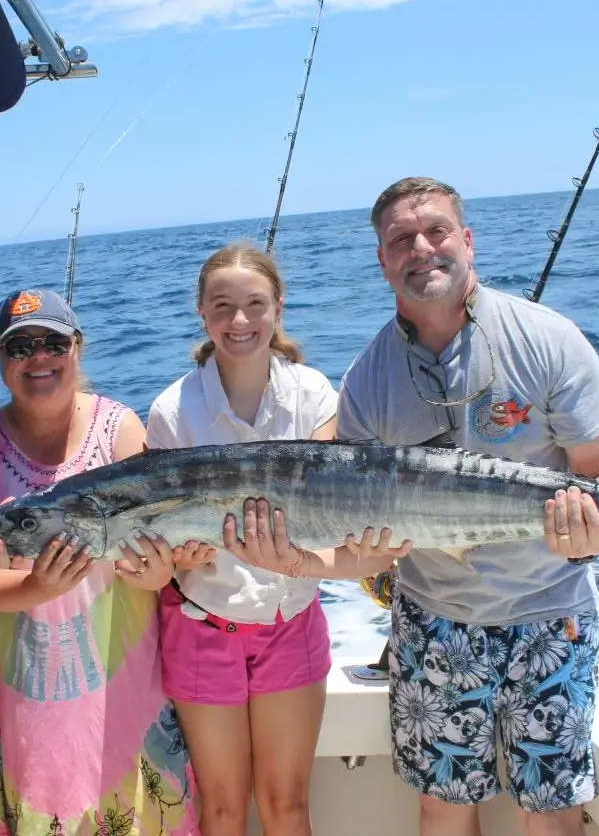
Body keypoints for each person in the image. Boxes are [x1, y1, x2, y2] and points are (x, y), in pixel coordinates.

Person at [220, 177, 599, 836]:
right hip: (434, 621)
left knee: (550, 812)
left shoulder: (550, 339)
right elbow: (370, 544)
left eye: (436, 231)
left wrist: (587, 536)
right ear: (383, 260)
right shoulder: (369, 379)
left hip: (551, 616)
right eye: (401, 239)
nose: (422, 248)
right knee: (440, 809)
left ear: (467, 240)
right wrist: (296, 558)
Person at [0, 287, 201, 836]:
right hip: (28, 690)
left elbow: (155, 562)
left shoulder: (120, 427)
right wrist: (37, 586)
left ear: (77, 348)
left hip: (123, 671)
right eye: (19, 348)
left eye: (52, 342)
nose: (38, 357)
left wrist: (159, 571)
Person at [144, 241, 391, 836]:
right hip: (202, 627)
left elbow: (335, 522)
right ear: (201, 313)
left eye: (255, 304)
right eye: (222, 305)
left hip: (291, 625)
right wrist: (174, 555)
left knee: (287, 806)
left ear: (278, 308)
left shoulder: (312, 394)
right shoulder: (171, 412)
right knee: (222, 811)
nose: (239, 320)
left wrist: (316, 558)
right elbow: (158, 544)